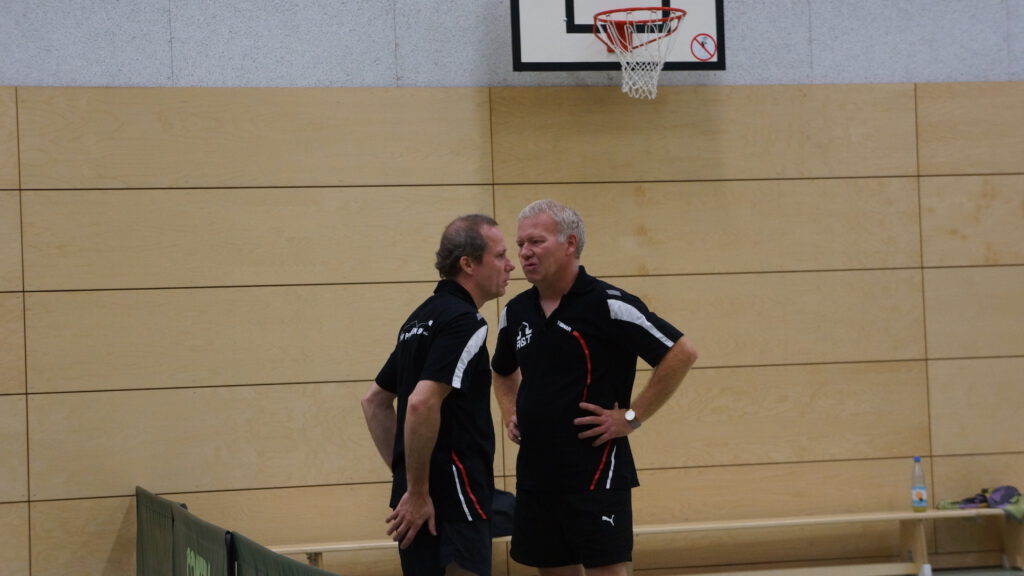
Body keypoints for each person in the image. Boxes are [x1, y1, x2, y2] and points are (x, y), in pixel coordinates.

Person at [492, 200, 698, 576]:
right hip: (537, 475)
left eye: (536, 241)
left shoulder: (609, 305)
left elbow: (681, 353)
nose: (524, 252)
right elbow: (502, 372)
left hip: (595, 473)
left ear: (570, 244)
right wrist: (510, 411)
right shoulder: (515, 311)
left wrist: (631, 418)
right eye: (520, 244)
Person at [362, 214, 515, 576]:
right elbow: (420, 402)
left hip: (417, 503)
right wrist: (417, 490)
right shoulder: (465, 322)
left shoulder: (418, 319)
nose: (510, 265)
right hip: (454, 502)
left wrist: (410, 481)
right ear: (468, 264)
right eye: (500, 255)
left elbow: (374, 402)